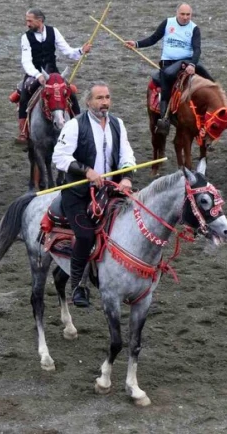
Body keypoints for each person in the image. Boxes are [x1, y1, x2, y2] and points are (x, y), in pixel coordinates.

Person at [53, 81, 136, 307]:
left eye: (107, 97)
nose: (105, 102)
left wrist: (127, 177)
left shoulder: (118, 124)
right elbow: (59, 157)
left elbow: (126, 155)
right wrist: (87, 171)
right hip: (78, 194)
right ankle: (79, 285)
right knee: (86, 235)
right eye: (99, 98)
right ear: (88, 101)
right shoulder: (74, 125)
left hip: (110, 192)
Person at [125, 3, 214, 135]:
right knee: (166, 77)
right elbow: (153, 39)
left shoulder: (194, 28)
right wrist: (136, 44)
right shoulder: (168, 23)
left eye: (188, 14)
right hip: (168, 63)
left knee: (209, 81)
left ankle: (216, 108)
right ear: (177, 13)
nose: (185, 17)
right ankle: (164, 119)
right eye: (182, 14)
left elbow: (197, 49)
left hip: (187, 63)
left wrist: (192, 65)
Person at [15, 8, 91, 145]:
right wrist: (37, 75)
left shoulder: (53, 32)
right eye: (27, 21)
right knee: (25, 95)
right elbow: (25, 61)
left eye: (30, 21)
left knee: (70, 93)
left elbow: (68, 51)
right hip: (34, 73)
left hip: (53, 72)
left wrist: (81, 50)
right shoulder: (25, 37)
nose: (27, 24)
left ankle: (78, 125)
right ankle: (24, 131)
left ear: (40, 20)